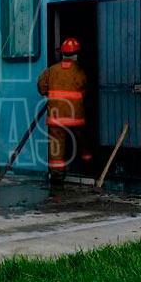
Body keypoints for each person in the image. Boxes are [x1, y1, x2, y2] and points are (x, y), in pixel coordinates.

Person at [37, 38, 90, 182]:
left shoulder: (51, 71)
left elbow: (41, 87)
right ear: (76, 55)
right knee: (81, 139)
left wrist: (52, 95)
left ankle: (57, 175)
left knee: (57, 145)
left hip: (56, 117)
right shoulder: (80, 72)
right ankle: (87, 163)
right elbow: (85, 90)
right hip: (75, 116)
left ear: (62, 54)